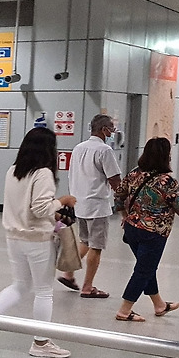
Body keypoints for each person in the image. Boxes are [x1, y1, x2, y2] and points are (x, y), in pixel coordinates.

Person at [0, 127, 76, 358]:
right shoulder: (43, 173)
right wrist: (62, 201)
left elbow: (25, 205)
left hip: (14, 237)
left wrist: (53, 210)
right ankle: (41, 343)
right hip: (37, 240)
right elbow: (40, 208)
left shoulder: (13, 170)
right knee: (44, 291)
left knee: (19, 285)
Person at [112, 137, 179, 322]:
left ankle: (159, 304)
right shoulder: (167, 181)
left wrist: (124, 216)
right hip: (154, 233)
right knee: (143, 270)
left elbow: (118, 195)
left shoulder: (134, 174)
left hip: (132, 229)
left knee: (146, 267)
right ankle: (124, 310)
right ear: (165, 156)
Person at [58, 114, 121, 298]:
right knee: (96, 246)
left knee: (85, 241)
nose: (113, 132)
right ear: (104, 130)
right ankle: (87, 287)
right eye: (111, 129)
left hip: (79, 203)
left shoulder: (78, 148)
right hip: (97, 205)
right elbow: (115, 179)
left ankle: (68, 274)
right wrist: (124, 200)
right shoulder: (104, 150)